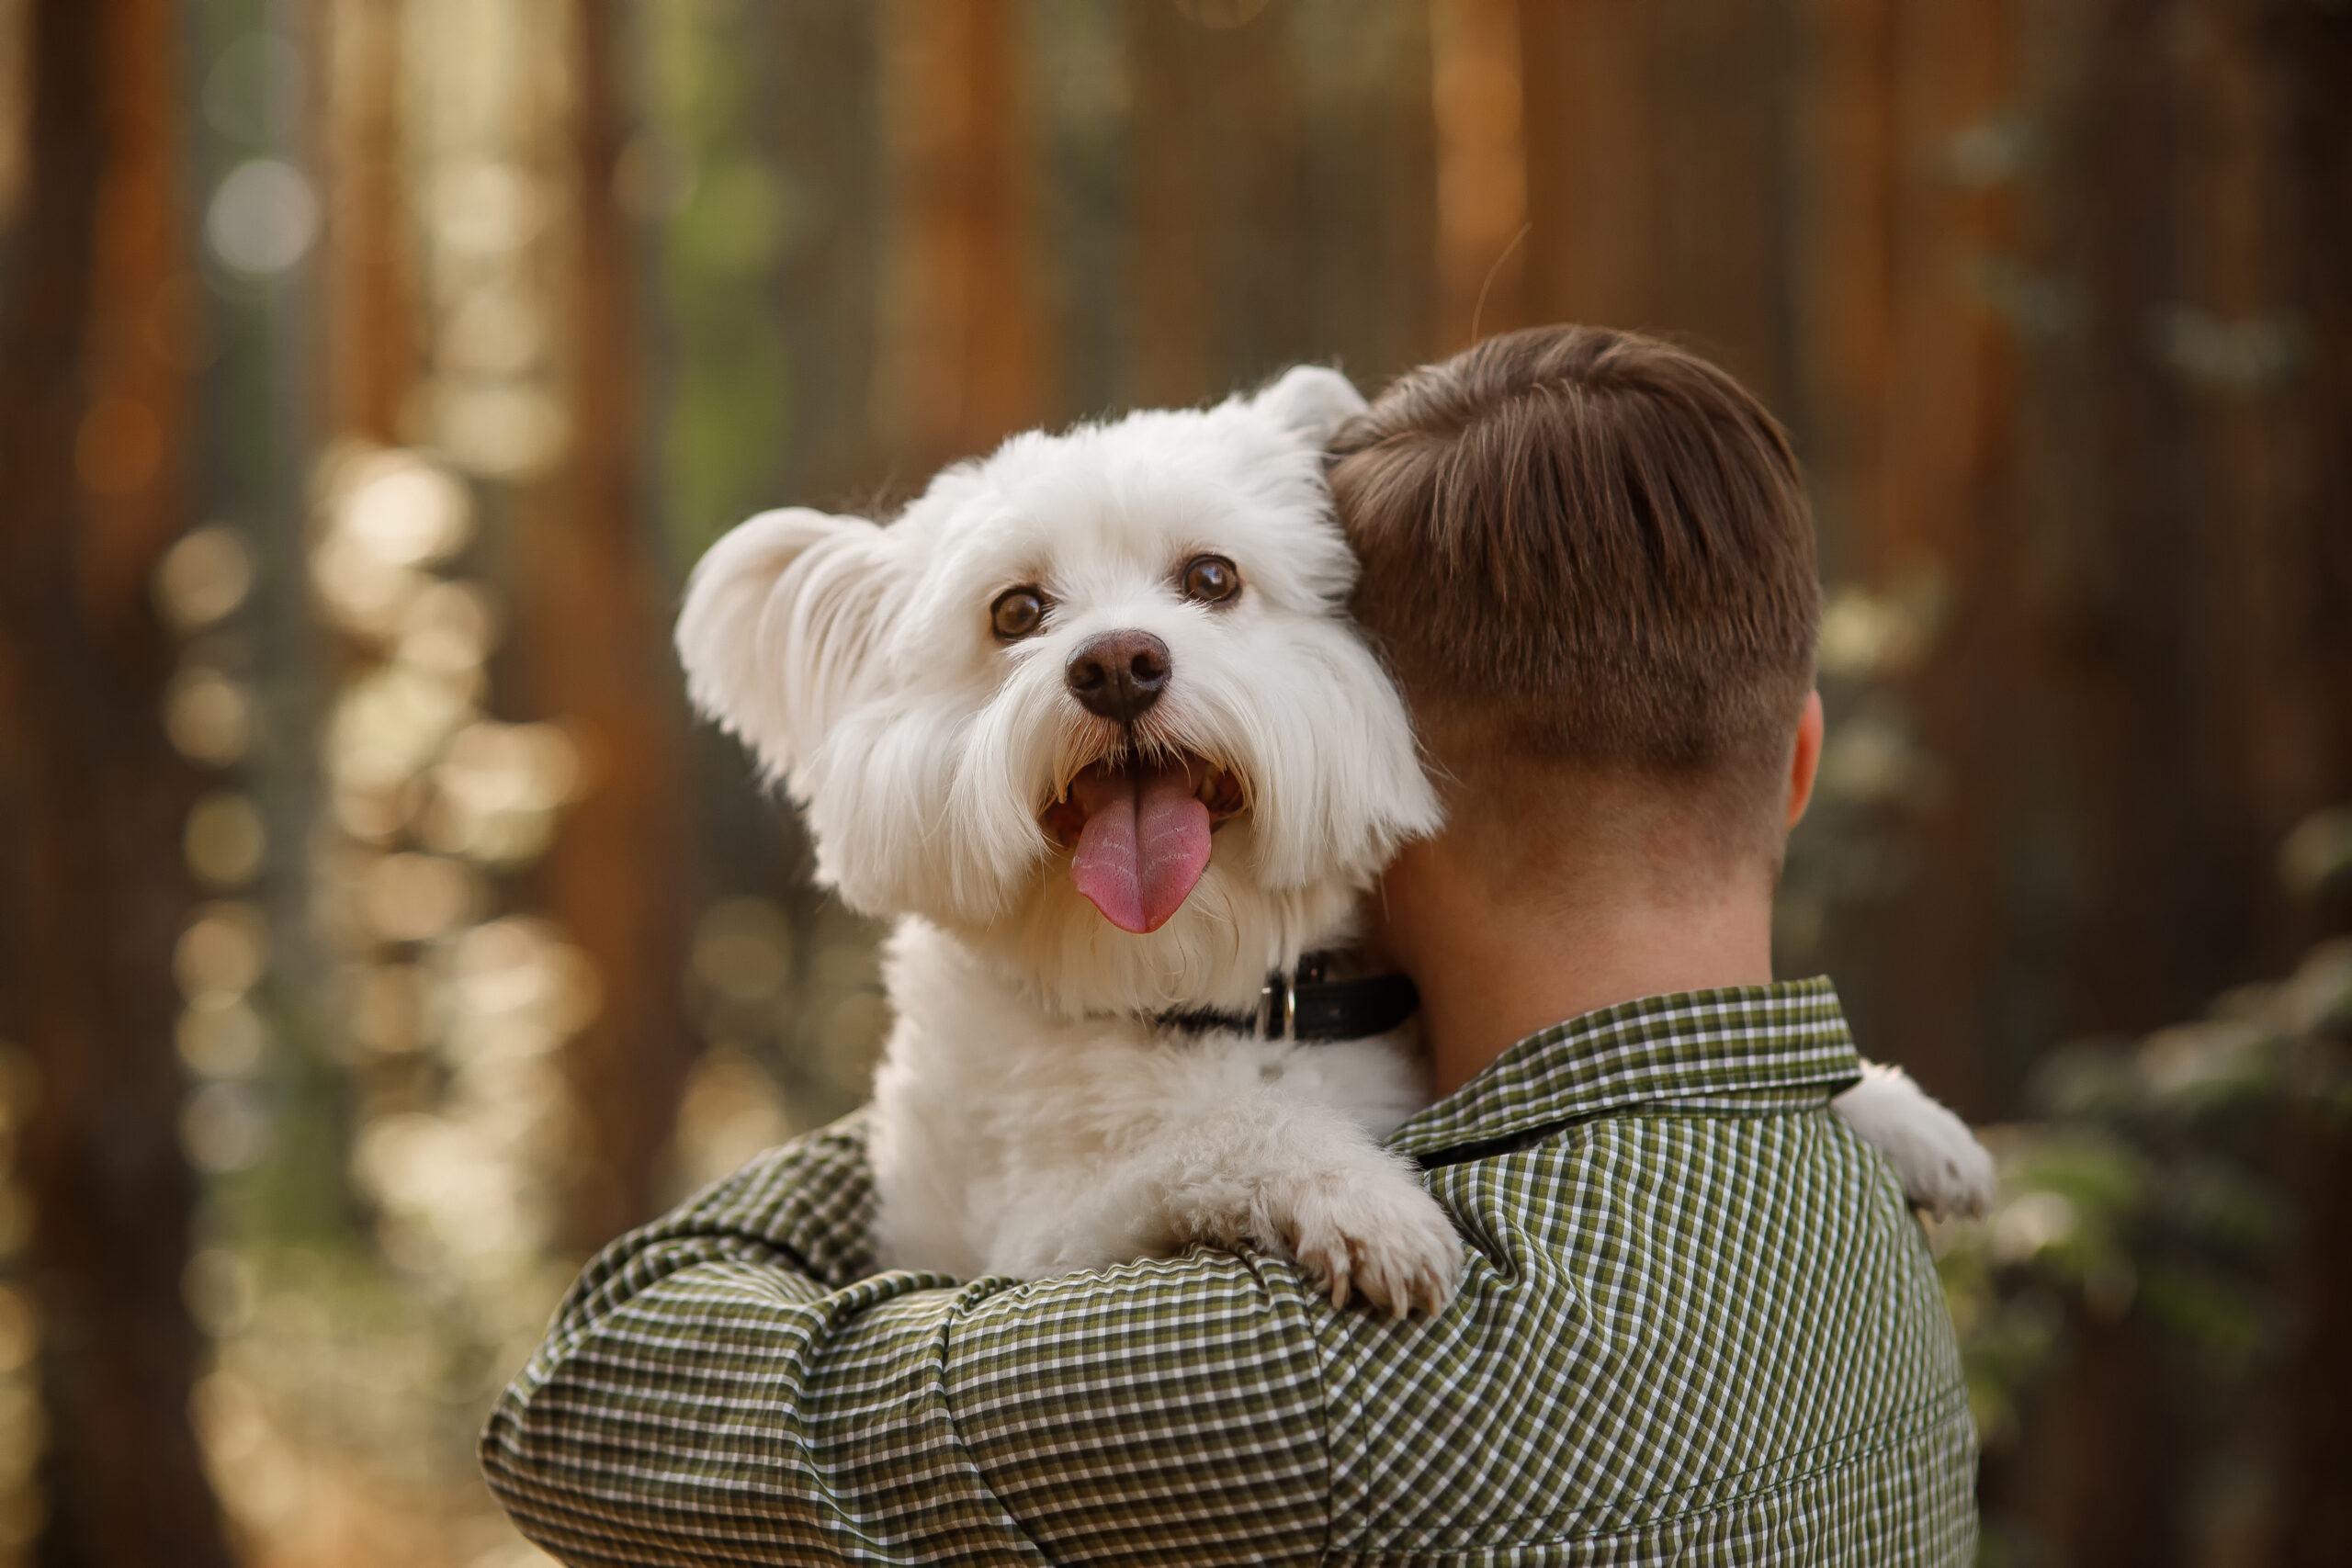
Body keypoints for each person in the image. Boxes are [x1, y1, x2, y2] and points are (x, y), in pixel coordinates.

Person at [480, 325, 1977, 1564]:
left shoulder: (1306, 1381)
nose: (1120, 653)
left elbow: (585, 1411)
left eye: (1208, 585)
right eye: (1021, 615)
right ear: (1797, 761)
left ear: (1402, 768)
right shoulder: (1855, 1216)